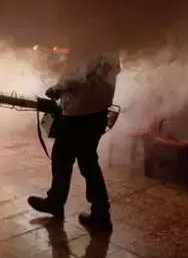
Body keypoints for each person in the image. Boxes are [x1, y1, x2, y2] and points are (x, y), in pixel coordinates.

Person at [27, 50, 120, 232]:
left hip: (80, 113)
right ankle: (98, 211)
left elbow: (78, 76)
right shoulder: (110, 42)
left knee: (66, 158)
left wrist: (57, 88)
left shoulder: (90, 40)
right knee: (85, 161)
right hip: (95, 112)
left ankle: (66, 204)